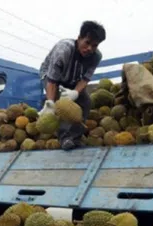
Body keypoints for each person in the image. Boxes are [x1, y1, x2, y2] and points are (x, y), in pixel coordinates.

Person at [38, 21, 106, 150]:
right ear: (79, 38)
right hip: (51, 75)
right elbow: (52, 80)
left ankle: (74, 137)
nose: (90, 48)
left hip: (73, 79)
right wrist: (51, 102)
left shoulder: (96, 56)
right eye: (87, 42)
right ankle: (64, 138)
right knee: (58, 103)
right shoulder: (63, 49)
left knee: (85, 102)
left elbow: (85, 78)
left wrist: (75, 92)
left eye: (94, 45)